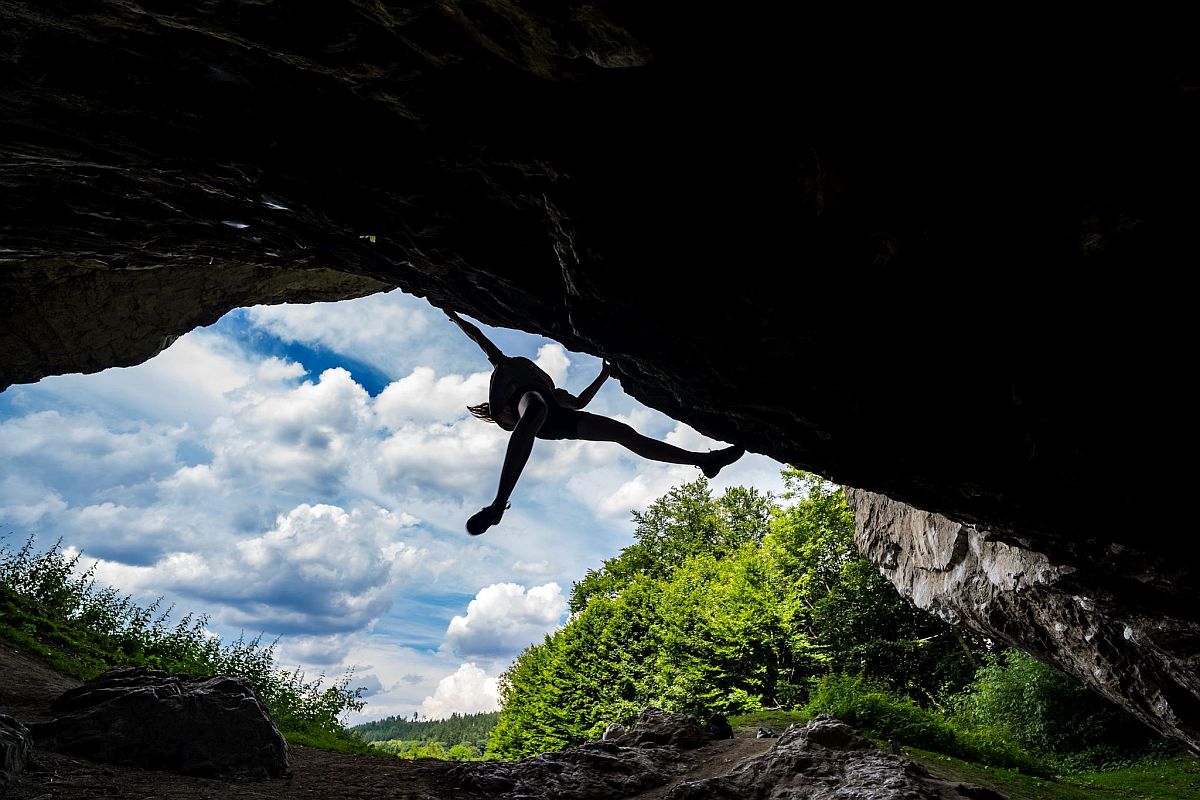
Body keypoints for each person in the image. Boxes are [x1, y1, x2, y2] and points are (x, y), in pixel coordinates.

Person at [445, 309, 745, 535]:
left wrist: (602, 376)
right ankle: (499, 503)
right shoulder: (509, 369)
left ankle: (705, 460)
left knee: (624, 433)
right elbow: (479, 337)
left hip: (558, 421)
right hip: (531, 409)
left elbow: (578, 403)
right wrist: (454, 316)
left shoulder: (550, 389)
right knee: (535, 407)